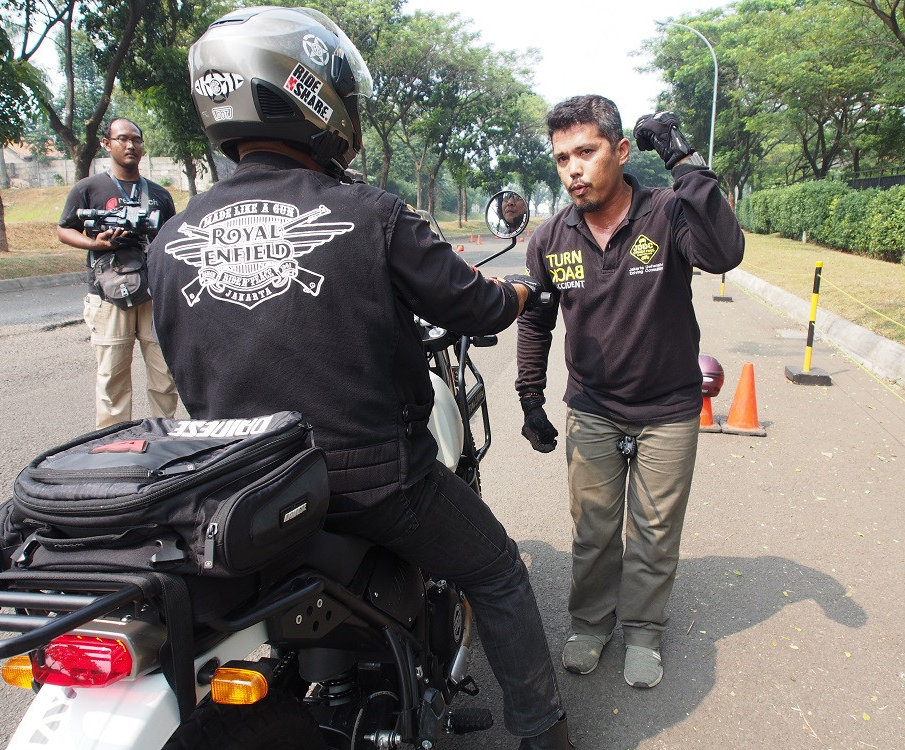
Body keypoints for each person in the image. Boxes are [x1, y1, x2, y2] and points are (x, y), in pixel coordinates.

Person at [149, 8, 572, 749]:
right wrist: (515, 295)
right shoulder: (370, 214)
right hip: (375, 487)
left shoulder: (171, 239)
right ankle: (545, 736)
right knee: (500, 571)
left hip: (246, 495)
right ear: (312, 94)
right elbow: (473, 305)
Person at [514, 95, 744, 689]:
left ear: (619, 151)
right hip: (592, 408)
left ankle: (643, 629)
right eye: (562, 157)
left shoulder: (667, 213)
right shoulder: (551, 238)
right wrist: (530, 396)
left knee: (654, 529)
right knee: (592, 528)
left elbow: (725, 252)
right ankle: (590, 623)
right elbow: (537, 320)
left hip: (668, 407)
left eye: (586, 152)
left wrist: (684, 160)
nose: (573, 169)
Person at [57, 117, 179, 428]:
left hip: (152, 295)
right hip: (108, 295)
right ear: (106, 143)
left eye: (136, 140)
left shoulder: (159, 195)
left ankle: (164, 437)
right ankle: (112, 441)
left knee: (164, 375)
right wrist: (94, 243)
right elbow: (63, 230)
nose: (130, 145)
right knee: (113, 378)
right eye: (122, 139)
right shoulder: (88, 189)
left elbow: (170, 240)